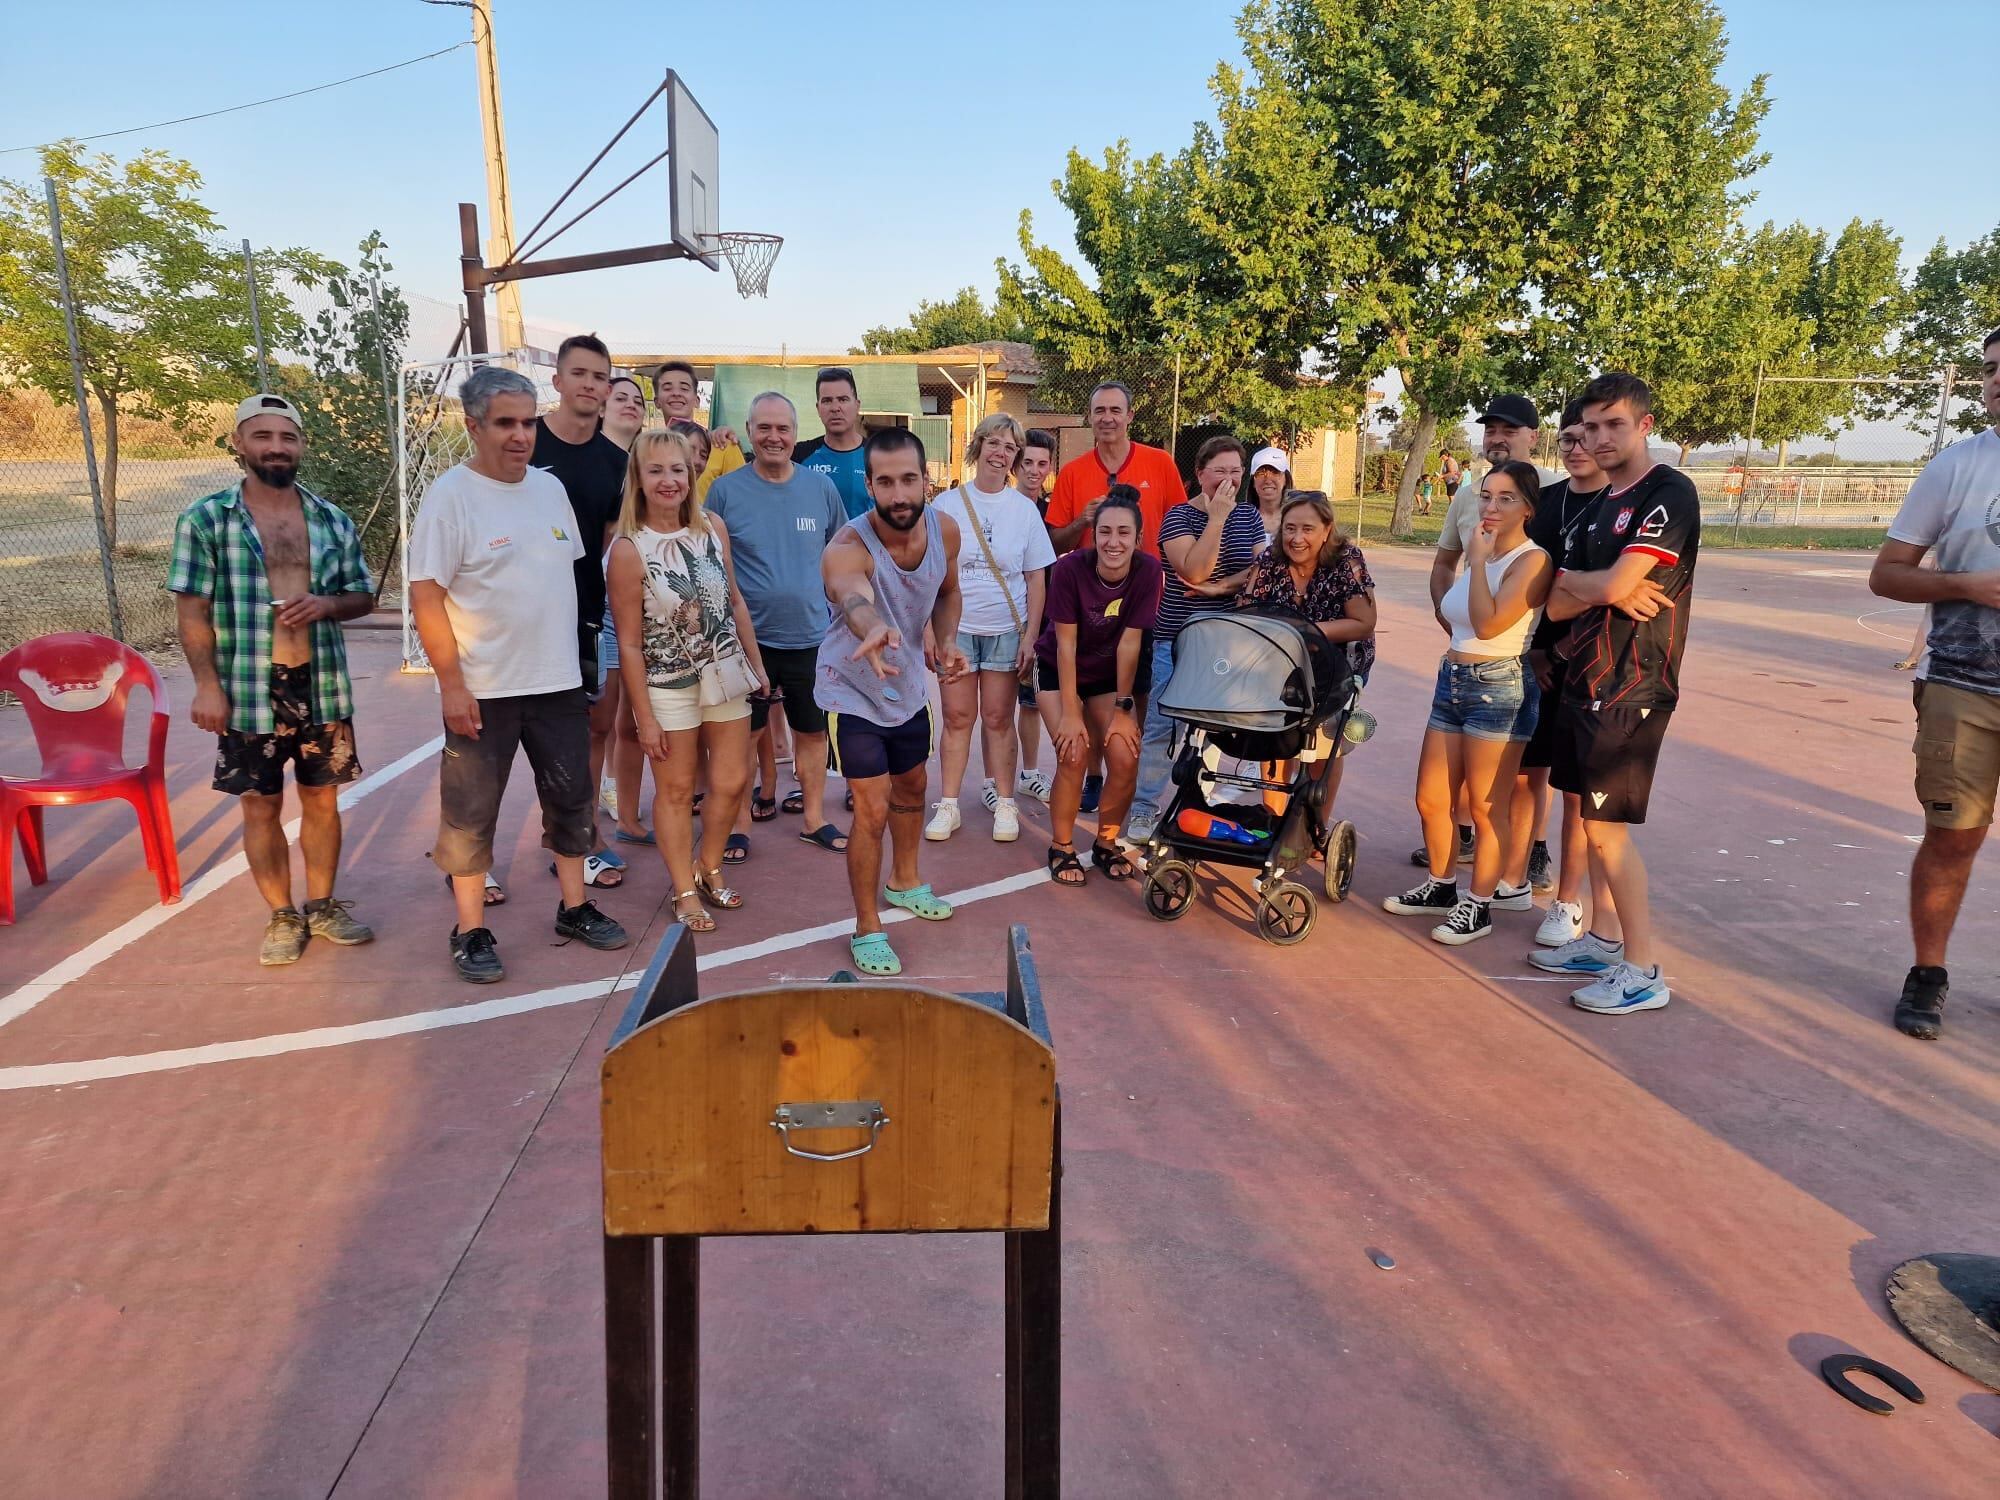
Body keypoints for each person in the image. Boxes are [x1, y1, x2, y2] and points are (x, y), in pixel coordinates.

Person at [408, 366, 629, 982]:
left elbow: (566, 576)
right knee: (471, 813)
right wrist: (452, 684)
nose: (520, 435)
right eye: (505, 423)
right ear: (473, 426)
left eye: (528, 422)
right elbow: (426, 595)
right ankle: (470, 929)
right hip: (485, 689)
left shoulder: (549, 489)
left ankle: (574, 909)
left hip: (557, 681)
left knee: (571, 798)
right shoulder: (451, 497)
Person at [168, 393, 377, 964]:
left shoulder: (330, 519)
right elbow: (192, 612)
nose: (276, 447)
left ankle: (323, 905)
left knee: (323, 801)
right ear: (238, 443)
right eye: (262, 436)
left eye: (287, 437)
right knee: (260, 805)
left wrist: (326, 605)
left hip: (321, 684)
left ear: (302, 445)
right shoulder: (206, 519)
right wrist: (207, 686)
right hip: (247, 687)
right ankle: (283, 915)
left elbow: (362, 595)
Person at [1531, 372, 1699, 1014]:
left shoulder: (1667, 492)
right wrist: (1596, 585)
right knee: (1588, 818)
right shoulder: (1603, 504)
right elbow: (1556, 601)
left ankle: (1643, 969)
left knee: (1606, 831)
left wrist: (1596, 585)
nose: (1599, 438)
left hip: (1633, 683)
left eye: (1614, 425)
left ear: (1644, 426)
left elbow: (1603, 587)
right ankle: (1603, 941)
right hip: (1586, 678)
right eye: (1591, 426)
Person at [1866, 326, 2000, 1041]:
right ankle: (1928, 973)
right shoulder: (1958, 465)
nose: (1997, 381)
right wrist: (1967, 586)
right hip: (1962, 686)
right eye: (1990, 369)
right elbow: (1887, 574)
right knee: (1952, 836)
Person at [817, 428, 968, 976]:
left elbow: (948, 592)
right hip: (851, 690)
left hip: (906, 689)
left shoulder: (945, 531)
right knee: (872, 809)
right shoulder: (846, 546)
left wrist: (945, 640)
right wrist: (873, 625)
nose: (899, 494)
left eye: (908, 479)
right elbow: (852, 594)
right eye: (886, 482)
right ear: (869, 485)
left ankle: (904, 881)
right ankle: (867, 926)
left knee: (913, 787)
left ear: (927, 478)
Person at [1385, 461, 1553, 945]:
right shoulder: (1485, 551)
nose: (1491, 507)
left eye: (1505, 498)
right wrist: (1478, 561)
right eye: (1486, 496)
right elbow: (1457, 616)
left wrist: (1477, 562)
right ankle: (1441, 886)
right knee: (1432, 797)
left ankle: (1478, 905)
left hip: (1499, 686)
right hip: (1454, 679)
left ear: (1528, 508)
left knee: (1485, 806)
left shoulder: (1531, 560)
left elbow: (1489, 624)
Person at [607, 427, 767, 932]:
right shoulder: (628, 550)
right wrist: (644, 718)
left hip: (726, 674)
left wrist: (757, 666)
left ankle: (709, 866)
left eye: (677, 469)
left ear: (692, 473)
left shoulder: (712, 527)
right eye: (655, 470)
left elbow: (735, 601)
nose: (669, 480)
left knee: (732, 781)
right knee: (676, 792)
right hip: (667, 686)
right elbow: (629, 644)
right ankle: (683, 889)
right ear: (638, 478)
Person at [1413, 394, 1560, 869]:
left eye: (1509, 430)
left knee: (1525, 776)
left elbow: (1545, 579)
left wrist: (1552, 650)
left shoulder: (1556, 491)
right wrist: (1449, 616)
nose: (1497, 438)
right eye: (1491, 429)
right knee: (1453, 789)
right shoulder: (1468, 494)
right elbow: (1445, 563)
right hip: (1465, 657)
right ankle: (1460, 860)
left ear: (1533, 436)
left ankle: (1527, 858)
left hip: (1524, 659)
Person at [704, 392, 849, 855]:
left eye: (782, 428)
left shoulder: (819, 489)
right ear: (749, 432)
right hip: (748, 643)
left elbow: (841, 555)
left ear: (795, 433)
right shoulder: (724, 492)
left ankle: (814, 818)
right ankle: (740, 823)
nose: (773, 437)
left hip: (811, 637)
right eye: (763, 428)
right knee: (744, 736)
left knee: (812, 733)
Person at [1509, 400, 1614, 944]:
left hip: (1586, 664)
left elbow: (1611, 596)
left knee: (1575, 791)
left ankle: (1567, 903)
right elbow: (1525, 580)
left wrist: (1559, 652)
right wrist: (1529, 649)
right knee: (1525, 774)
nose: (1577, 448)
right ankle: (1514, 877)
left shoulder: (1618, 507)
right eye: (1568, 439)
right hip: (1531, 657)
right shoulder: (1545, 503)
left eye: (1586, 437)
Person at [1128, 435, 1268, 842]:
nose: (1228, 480)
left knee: (1222, 728)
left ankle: (1205, 807)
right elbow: (1194, 572)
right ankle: (1144, 808)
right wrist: (1217, 520)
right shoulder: (1178, 518)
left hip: (1230, 641)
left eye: (1235, 471)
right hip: (1180, 639)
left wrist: (1223, 587)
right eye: (1219, 471)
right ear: (1200, 473)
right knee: (1163, 725)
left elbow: (1264, 569)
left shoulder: (1249, 516)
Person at [926, 413, 1054, 843]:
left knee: (999, 718)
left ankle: (1005, 802)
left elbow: (1036, 578)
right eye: (994, 443)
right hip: (957, 630)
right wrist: (931, 631)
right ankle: (948, 804)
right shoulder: (946, 506)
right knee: (957, 717)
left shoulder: (1025, 510)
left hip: (1005, 629)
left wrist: (1030, 636)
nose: (1001, 453)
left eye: (1010, 447)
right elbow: (930, 574)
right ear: (978, 445)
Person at [531, 333, 628, 893]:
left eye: (600, 376)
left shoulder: (616, 463)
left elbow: (612, 546)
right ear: (558, 381)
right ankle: (474, 857)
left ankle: (582, 836)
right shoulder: (525, 442)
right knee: (498, 741)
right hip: (521, 621)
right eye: (580, 374)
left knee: (593, 729)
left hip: (586, 618)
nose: (590, 385)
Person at [1035, 486, 1161, 887]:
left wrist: (1124, 709)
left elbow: (1130, 644)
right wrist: (1072, 712)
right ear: (1094, 534)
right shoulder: (1070, 569)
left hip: (1107, 677)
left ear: (1138, 538)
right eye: (1105, 531)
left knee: (1124, 755)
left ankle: (1106, 843)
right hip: (1058, 669)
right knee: (1073, 753)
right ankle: (1061, 845)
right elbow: (1065, 645)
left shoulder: (1148, 571)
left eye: (1124, 533)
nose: (1113, 542)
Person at [1234, 489, 1378, 808]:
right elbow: (1246, 609)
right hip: (1282, 660)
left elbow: (1364, 623)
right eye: (1290, 528)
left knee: (1322, 746)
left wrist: (1304, 631)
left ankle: (1316, 823)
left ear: (1327, 530)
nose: (1297, 538)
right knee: (1275, 736)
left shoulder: (1346, 559)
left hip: (1339, 660)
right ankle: (1272, 817)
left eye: (1307, 529)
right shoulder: (1270, 559)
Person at [1042, 381, 1185, 556]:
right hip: (1091, 573)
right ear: (1089, 416)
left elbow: (1181, 530)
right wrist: (1081, 522)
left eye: (1115, 410)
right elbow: (1053, 546)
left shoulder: (1161, 462)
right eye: (1099, 410)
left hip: (1149, 572)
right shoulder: (1071, 472)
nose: (1107, 418)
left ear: (1130, 416)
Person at [596, 375, 649, 836]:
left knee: (631, 715)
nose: (630, 404)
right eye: (621, 398)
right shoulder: (589, 462)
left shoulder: (642, 465)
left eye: (638, 399)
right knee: (601, 716)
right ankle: (590, 807)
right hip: (600, 607)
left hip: (641, 604)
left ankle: (622, 801)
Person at [1006, 428, 1061, 804]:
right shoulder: (1003, 507)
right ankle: (995, 780)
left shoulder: (1054, 513)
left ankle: (1028, 773)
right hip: (1002, 619)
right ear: (1015, 465)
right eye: (1027, 462)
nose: (1034, 470)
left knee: (1031, 702)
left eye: (1042, 463)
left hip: (1039, 623)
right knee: (996, 709)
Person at [653, 359, 741, 500]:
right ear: (657, 401)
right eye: (667, 388)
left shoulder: (723, 444)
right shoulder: (650, 449)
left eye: (684, 388)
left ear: (696, 400)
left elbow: (742, 498)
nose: (676, 393)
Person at [794, 366, 871, 519]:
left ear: (857, 405)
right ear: (818, 408)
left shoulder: (878, 454)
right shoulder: (798, 456)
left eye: (843, 399)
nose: (835, 408)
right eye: (827, 401)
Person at [1249, 446, 1291, 546]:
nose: (1268, 480)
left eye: (1275, 472)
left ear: (1286, 479)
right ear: (1253, 481)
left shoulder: (1297, 519)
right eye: (1261, 473)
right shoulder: (1242, 520)